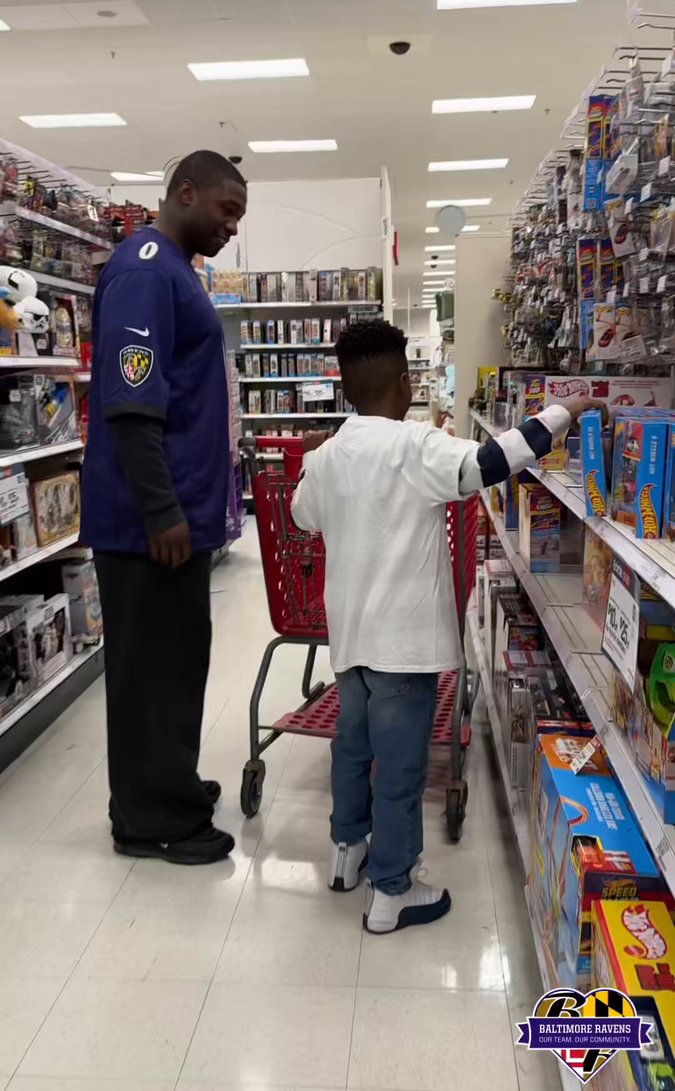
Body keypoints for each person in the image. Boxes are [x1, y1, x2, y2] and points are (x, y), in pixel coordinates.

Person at [291, 319, 601, 933]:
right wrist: (563, 410)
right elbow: (493, 460)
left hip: (349, 640)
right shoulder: (416, 448)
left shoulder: (327, 456)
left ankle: (345, 852)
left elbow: (303, 516)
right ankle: (393, 891)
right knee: (401, 767)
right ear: (404, 384)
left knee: (352, 749)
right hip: (403, 647)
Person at [81, 150, 247, 866]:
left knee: (177, 666)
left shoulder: (176, 269)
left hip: (179, 519)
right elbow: (130, 404)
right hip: (148, 526)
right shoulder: (146, 269)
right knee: (151, 674)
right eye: (225, 210)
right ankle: (152, 820)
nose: (231, 227)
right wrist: (161, 513)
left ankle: (168, 785)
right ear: (185, 193)